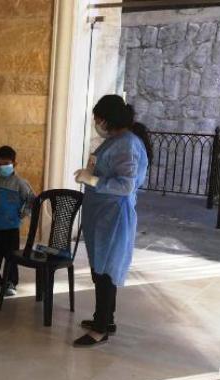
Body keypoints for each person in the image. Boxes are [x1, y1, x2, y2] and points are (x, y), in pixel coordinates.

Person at [72, 94, 150, 347]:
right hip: (102, 214)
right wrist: (89, 174)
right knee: (102, 270)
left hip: (113, 216)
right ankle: (105, 319)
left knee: (105, 272)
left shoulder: (127, 144)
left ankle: (100, 329)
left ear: (108, 118)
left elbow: (126, 185)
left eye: (98, 119)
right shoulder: (116, 141)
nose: (97, 124)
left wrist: (92, 180)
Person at [0, 146, 35, 296]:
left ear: (14, 163)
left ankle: (10, 282)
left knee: (11, 257)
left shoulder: (20, 183)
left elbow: (31, 200)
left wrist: (22, 214)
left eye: (6, 163)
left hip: (11, 228)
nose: (2, 167)